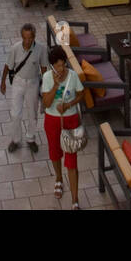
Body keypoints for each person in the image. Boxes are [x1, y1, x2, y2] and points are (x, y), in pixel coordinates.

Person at [41, 45, 85, 208]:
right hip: (52, 120)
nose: (62, 68)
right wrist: (55, 85)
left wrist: (69, 104)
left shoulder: (73, 76)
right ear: (52, 66)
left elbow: (81, 93)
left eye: (63, 64)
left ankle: (75, 199)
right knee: (55, 153)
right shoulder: (47, 77)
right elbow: (46, 103)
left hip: (70, 120)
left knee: (72, 160)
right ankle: (58, 178)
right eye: (58, 65)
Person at [1, 23, 48, 154]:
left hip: (33, 83)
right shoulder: (15, 48)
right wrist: (2, 82)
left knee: (32, 113)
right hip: (18, 82)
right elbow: (7, 66)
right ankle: (15, 140)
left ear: (34, 37)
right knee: (15, 113)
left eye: (30, 38)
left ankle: (31, 138)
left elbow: (44, 69)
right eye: (25, 38)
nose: (27, 41)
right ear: (21, 37)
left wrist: (45, 87)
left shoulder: (41, 49)